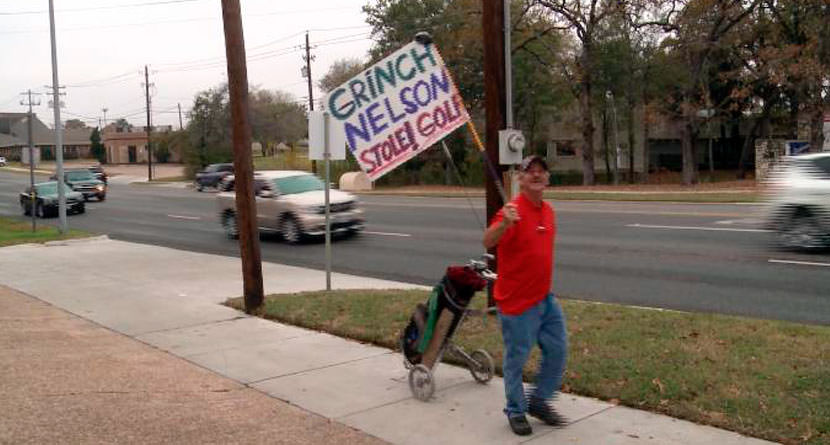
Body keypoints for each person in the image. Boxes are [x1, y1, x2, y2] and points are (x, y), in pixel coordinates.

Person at [482, 155, 568, 436]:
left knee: (558, 350)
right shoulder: (512, 211)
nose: (537, 175)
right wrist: (505, 223)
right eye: (530, 171)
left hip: (545, 299)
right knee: (516, 360)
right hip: (517, 303)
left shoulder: (549, 211)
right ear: (520, 178)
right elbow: (488, 240)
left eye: (542, 171)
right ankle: (516, 410)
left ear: (548, 179)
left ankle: (539, 400)